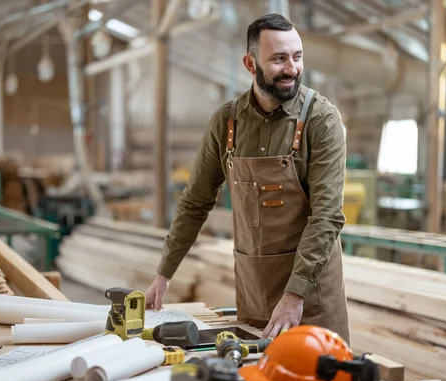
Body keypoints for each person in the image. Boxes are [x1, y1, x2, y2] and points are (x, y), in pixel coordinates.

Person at [145, 13, 350, 342]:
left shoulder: (321, 120)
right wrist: (164, 273)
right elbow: (195, 202)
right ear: (250, 64)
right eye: (279, 59)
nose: (292, 68)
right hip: (254, 293)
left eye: (297, 57)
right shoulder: (227, 122)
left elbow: (327, 216)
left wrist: (295, 295)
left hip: (311, 298)